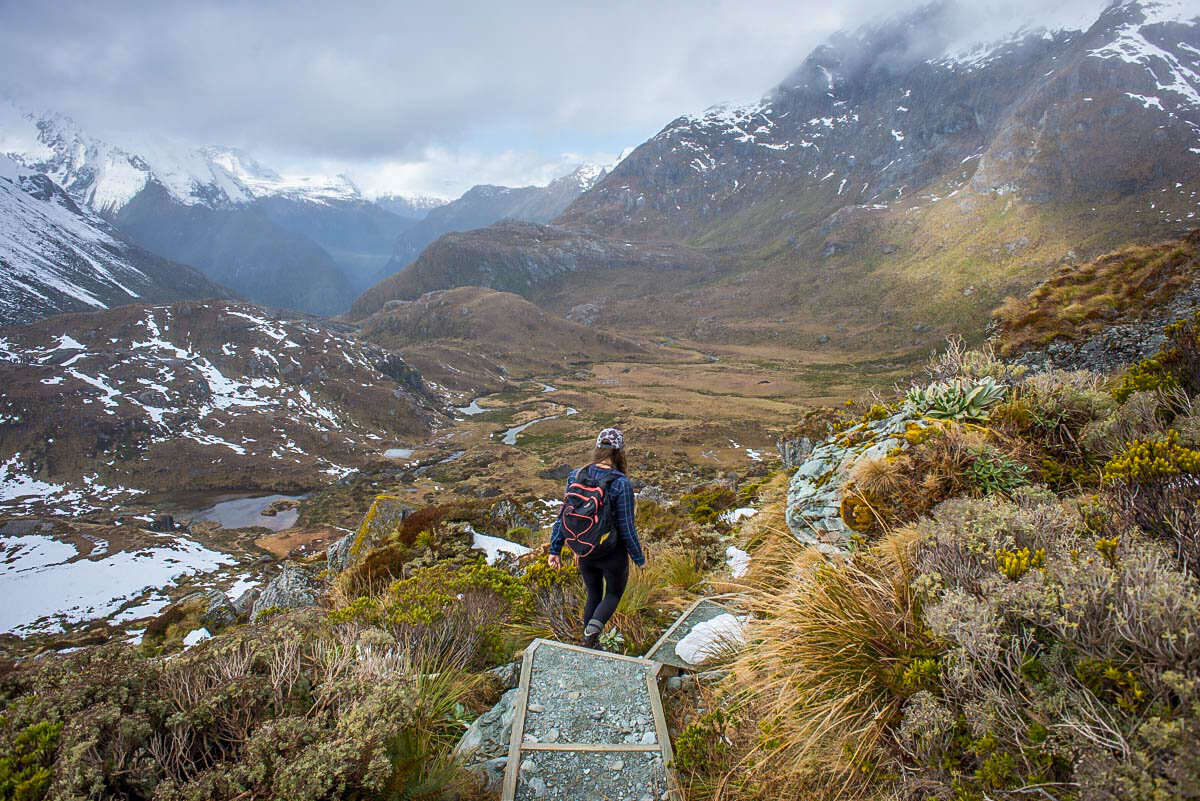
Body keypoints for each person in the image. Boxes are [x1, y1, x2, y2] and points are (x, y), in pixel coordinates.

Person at [548, 427, 646, 648]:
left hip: (584, 548)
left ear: (598, 448)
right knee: (613, 593)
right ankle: (592, 633)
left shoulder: (576, 474)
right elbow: (627, 527)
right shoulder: (621, 483)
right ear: (620, 452)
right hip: (612, 552)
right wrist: (639, 559)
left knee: (593, 594)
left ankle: (588, 643)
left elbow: (563, 514)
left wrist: (555, 549)